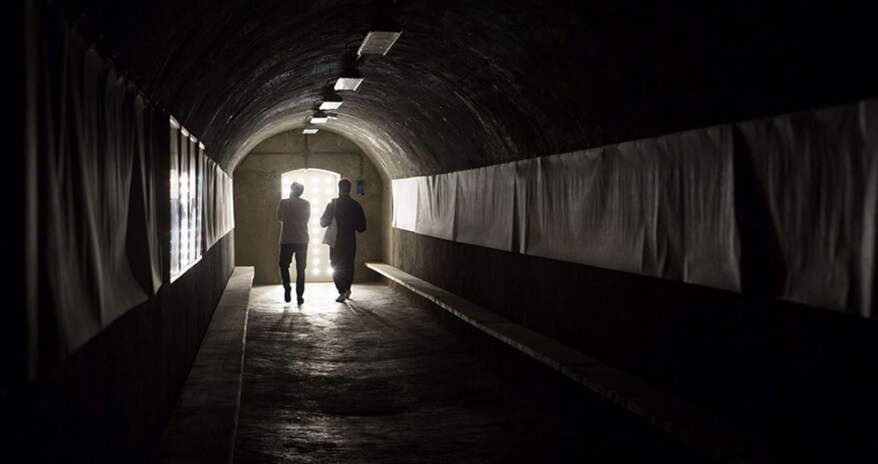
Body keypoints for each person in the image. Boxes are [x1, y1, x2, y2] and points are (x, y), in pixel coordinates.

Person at [320, 178, 366, 302]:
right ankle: (347, 288)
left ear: (339, 188)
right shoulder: (355, 205)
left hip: (336, 240)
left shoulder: (333, 204)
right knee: (349, 264)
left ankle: (341, 291)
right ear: (350, 189)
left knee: (335, 265)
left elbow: (323, 222)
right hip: (350, 240)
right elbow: (362, 228)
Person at [277, 181, 310, 304]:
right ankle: (300, 295)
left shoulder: (283, 203)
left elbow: (279, 218)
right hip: (302, 239)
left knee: (284, 265)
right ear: (301, 192)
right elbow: (306, 219)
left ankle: (287, 286)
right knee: (301, 269)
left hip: (287, 239)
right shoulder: (306, 203)